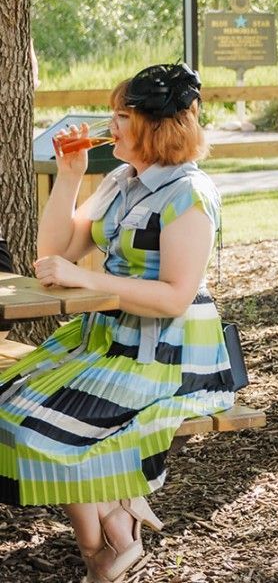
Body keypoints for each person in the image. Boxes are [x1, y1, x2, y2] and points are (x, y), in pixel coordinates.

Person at [0, 64, 237, 582]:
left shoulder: (188, 195)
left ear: (158, 126)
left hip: (169, 354)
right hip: (109, 340)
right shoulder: (119, 180)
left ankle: (104, 548)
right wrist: (67, 175)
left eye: (123, 116)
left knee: (44, 431)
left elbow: (175, 297)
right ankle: (114, 534)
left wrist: (87, 282)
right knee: (6, 412)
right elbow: (52, 256)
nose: (112, 125)